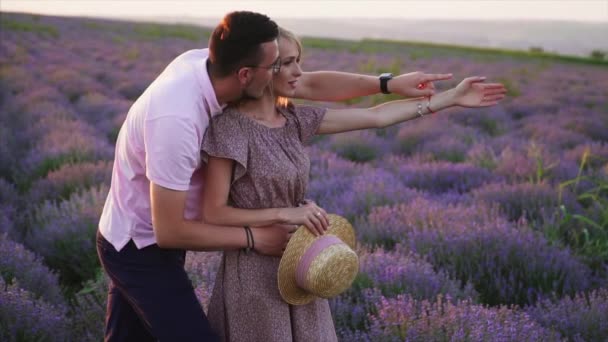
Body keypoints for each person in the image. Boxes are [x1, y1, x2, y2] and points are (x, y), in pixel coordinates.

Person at [96, 11, 456, 341]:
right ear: (247, 75)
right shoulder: (178, 118)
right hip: (138, 244)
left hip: (169, 237)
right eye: (278, 66)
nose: (293, 74)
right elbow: (171, 229)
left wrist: (390, 84)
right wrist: (257, 235)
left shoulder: (224, 69)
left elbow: (313, 87)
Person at [200, 27, 506, 341]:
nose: (299, 71)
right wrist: (284, 213)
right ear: (259, 70)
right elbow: (214, 212)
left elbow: (375, 117)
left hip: (301, 266)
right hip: (254, 277)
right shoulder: (229, 129)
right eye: (288, 63)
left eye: (298, 60)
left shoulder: (293, 120)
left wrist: (448, 99)